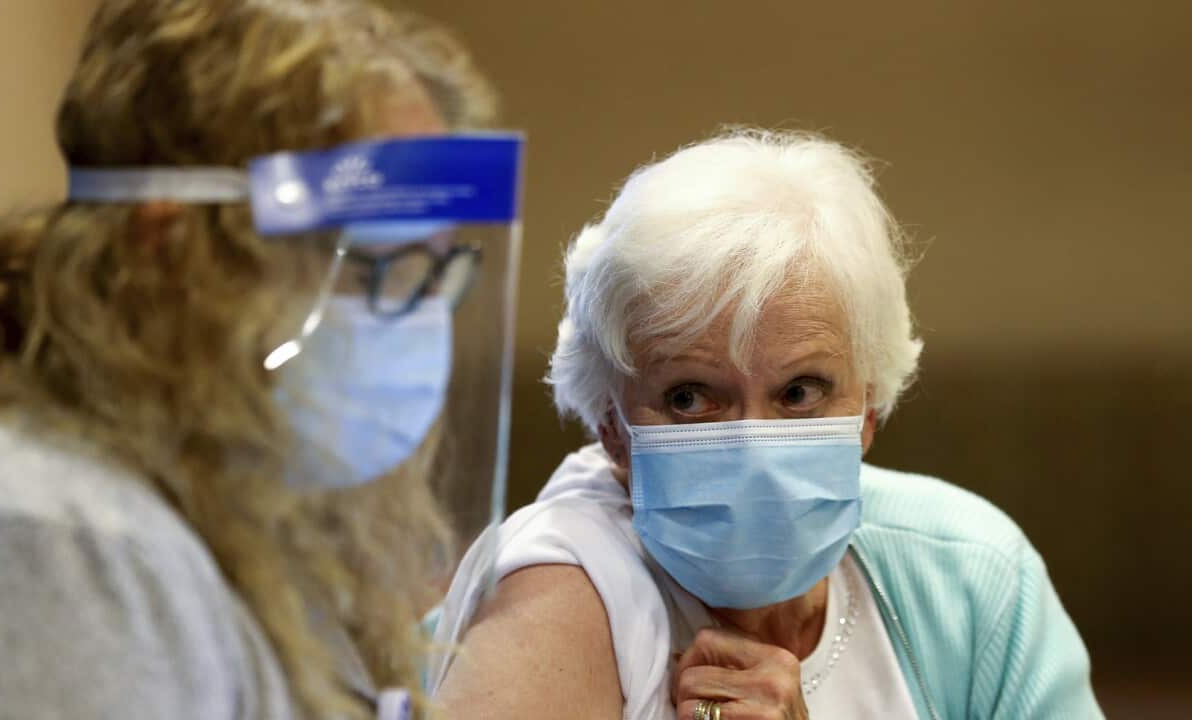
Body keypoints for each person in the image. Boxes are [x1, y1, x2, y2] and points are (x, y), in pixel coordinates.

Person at [0, 1, 523, 718]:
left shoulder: (259, 529)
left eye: (433, 271)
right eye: (366, 268)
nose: (413, 316)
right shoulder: (44, 536)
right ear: (167, 255)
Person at [434, 130, 1103, 719]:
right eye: (691, 397)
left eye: (800, 391)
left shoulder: (967, 577)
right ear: (611, 425)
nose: (754, 445)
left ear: (868, 406)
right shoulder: (559, 587)